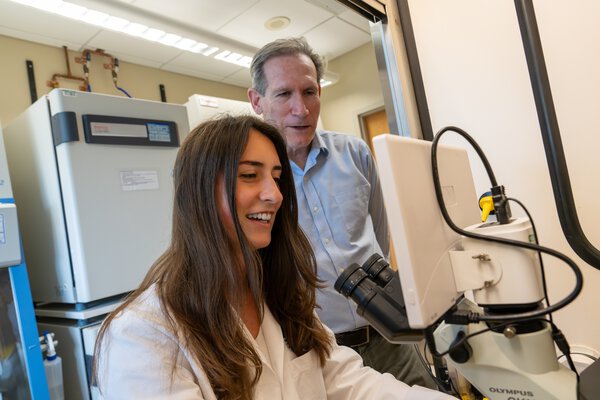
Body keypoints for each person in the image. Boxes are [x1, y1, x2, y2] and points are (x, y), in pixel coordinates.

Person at [93, 115, 453, 399]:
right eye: (250, 175)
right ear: (199, 192)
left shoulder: (278, 300)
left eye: (277, 177)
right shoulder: (142, 334)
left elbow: (349, 382)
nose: (275, 195)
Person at [247, 37, 437, 389]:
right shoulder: (252, 183)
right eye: (283, 94)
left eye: (309, 92)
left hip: (391, 336)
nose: (300, 110)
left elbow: (379, 234)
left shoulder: (355, 153)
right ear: (257, 100)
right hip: (318, 352)